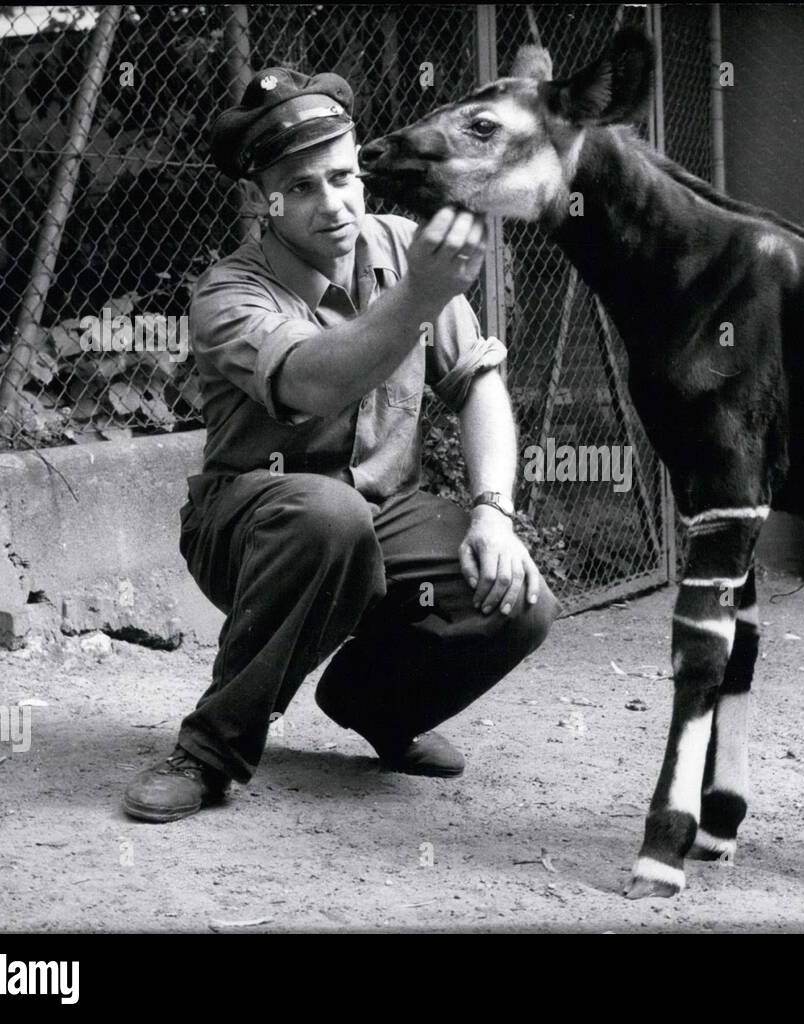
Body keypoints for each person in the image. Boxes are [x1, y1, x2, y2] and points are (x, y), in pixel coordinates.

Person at [123, 67, 557, 823]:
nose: (334, 203)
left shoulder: (397, 246)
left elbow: (478, 383)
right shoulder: (228, 292)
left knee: (520, 601)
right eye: (303, 186)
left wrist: (493, 512)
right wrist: (419, 297)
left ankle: (374, 705)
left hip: (382, 521)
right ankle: (210, 751)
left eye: (343, 176)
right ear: (265, 199)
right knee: (329, 516)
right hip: (254, 526)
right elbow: (314, 382)